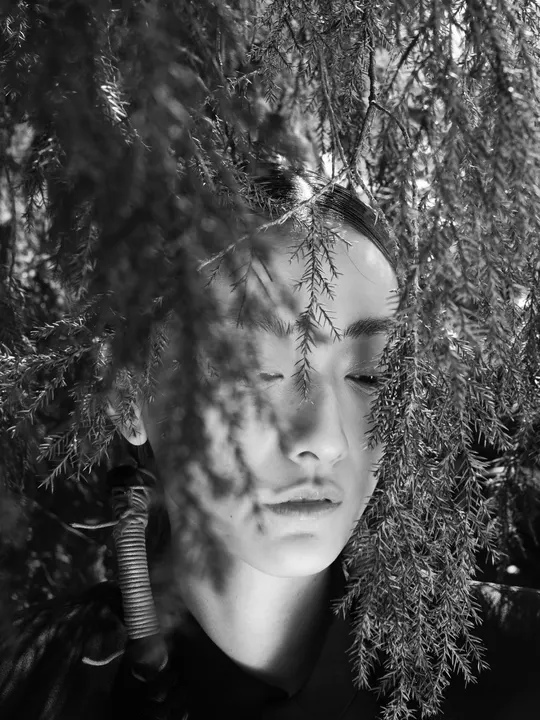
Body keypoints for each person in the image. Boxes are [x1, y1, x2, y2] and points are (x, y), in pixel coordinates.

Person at [1, 166, 540, 720]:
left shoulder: (522, 672)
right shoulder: (33, 686)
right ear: (128, 398)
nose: (325, 439)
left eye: (369, 375)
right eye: (253, 371)